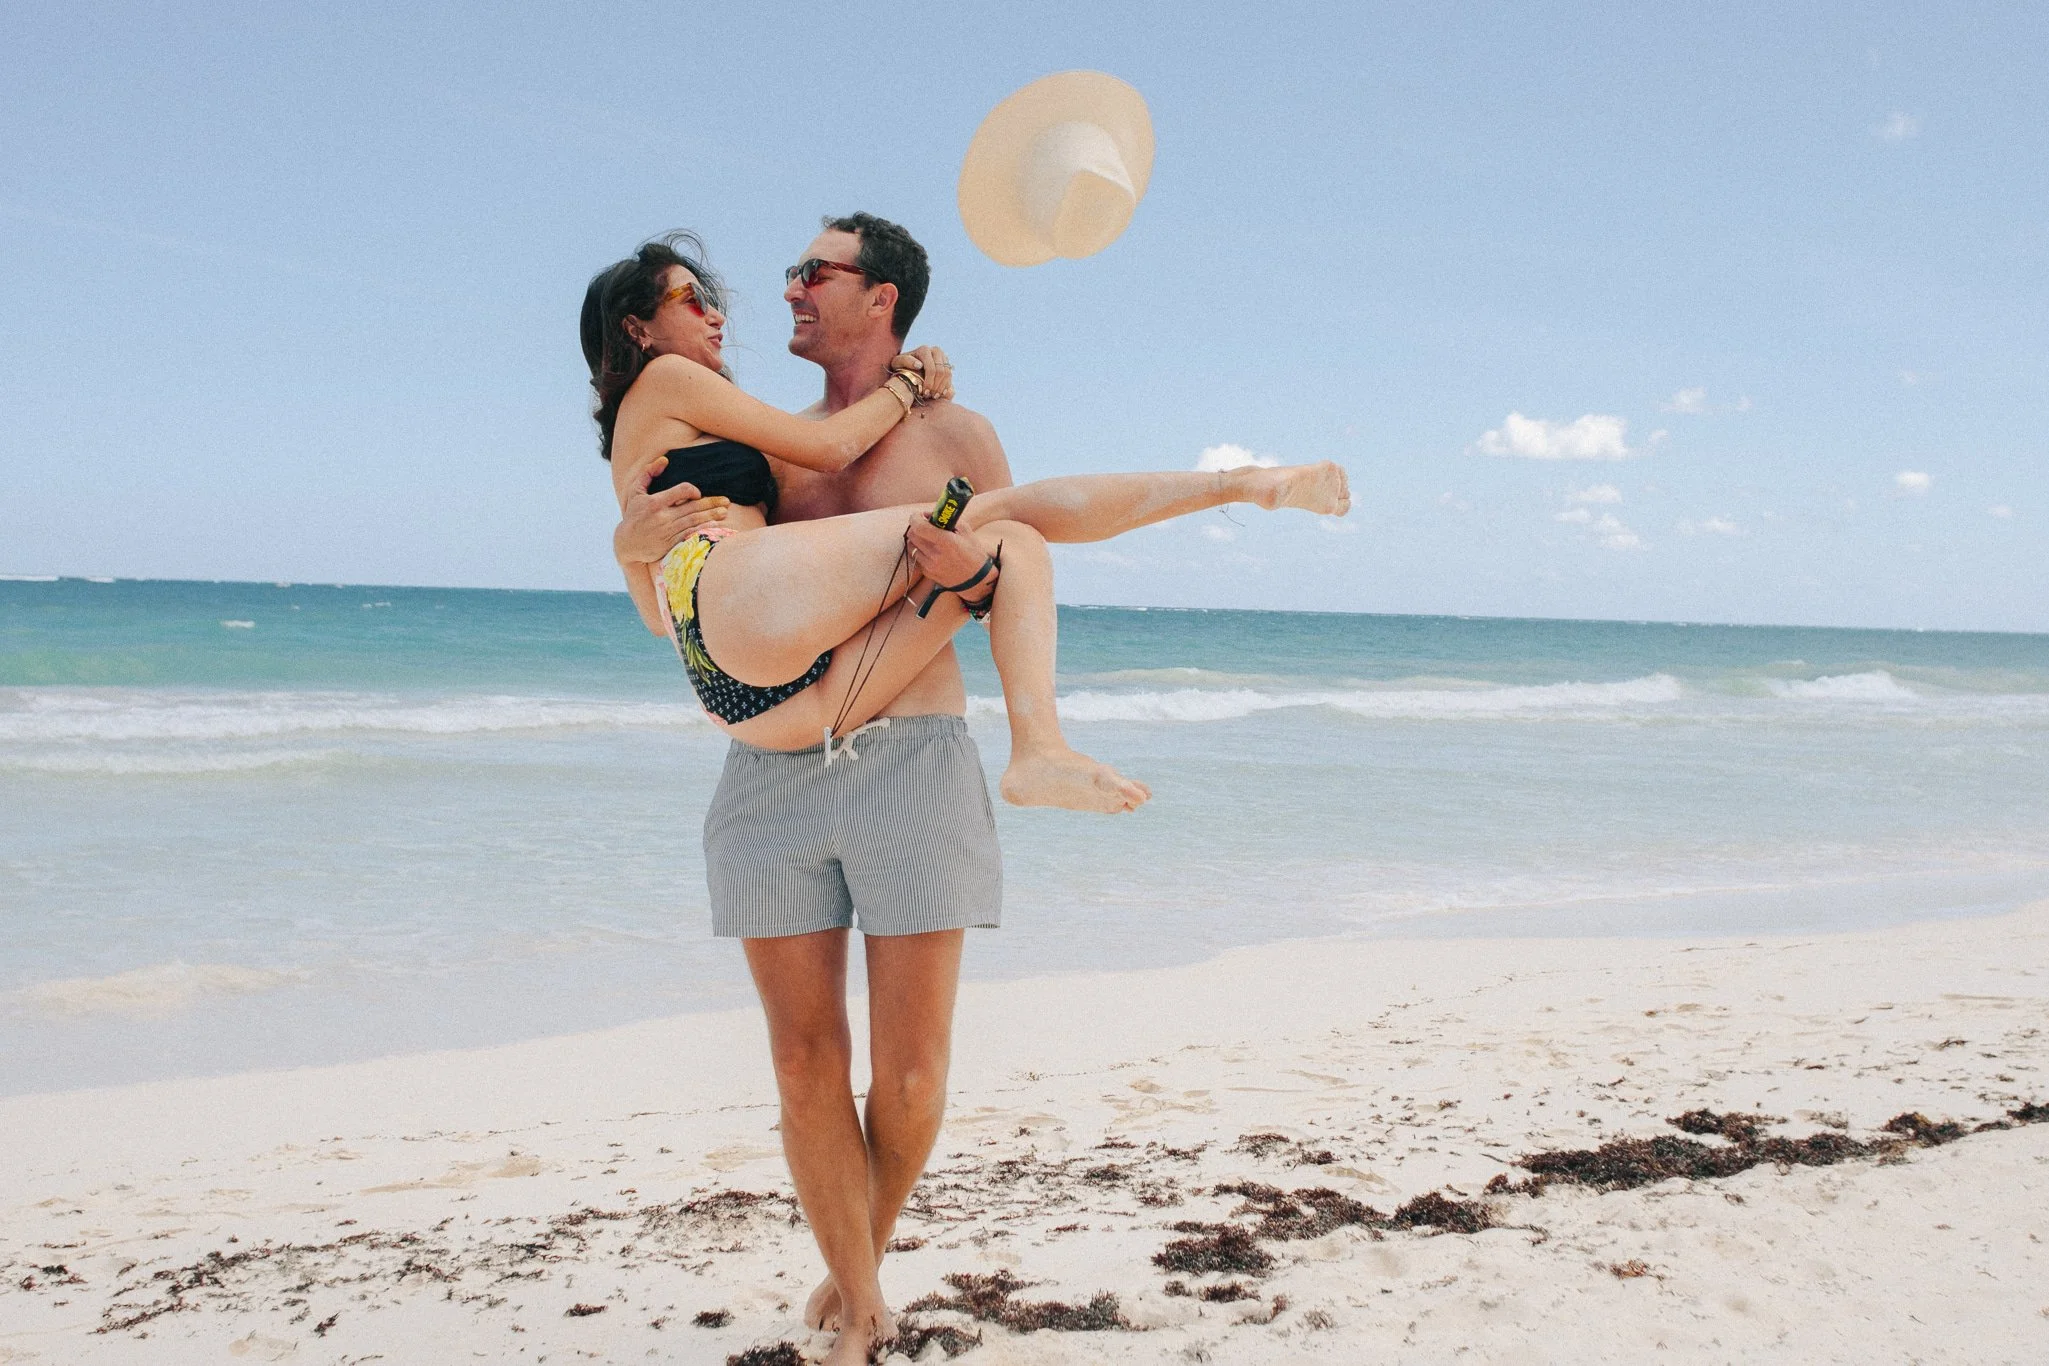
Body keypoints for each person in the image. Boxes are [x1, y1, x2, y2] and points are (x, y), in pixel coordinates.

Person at [596, 216, 1346, 1363]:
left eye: (815, 272)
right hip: (771, 762)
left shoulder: (958, 428)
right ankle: (864, 1302)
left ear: (882, 294)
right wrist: (627, 551)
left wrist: (976, 570)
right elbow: (691, 612)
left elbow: (1005, 590)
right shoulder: (773, 442)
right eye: (782, 274)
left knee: (909, 1071)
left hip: (912, 753)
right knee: (802, 1062)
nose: (783, 290)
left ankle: (857, 1271)